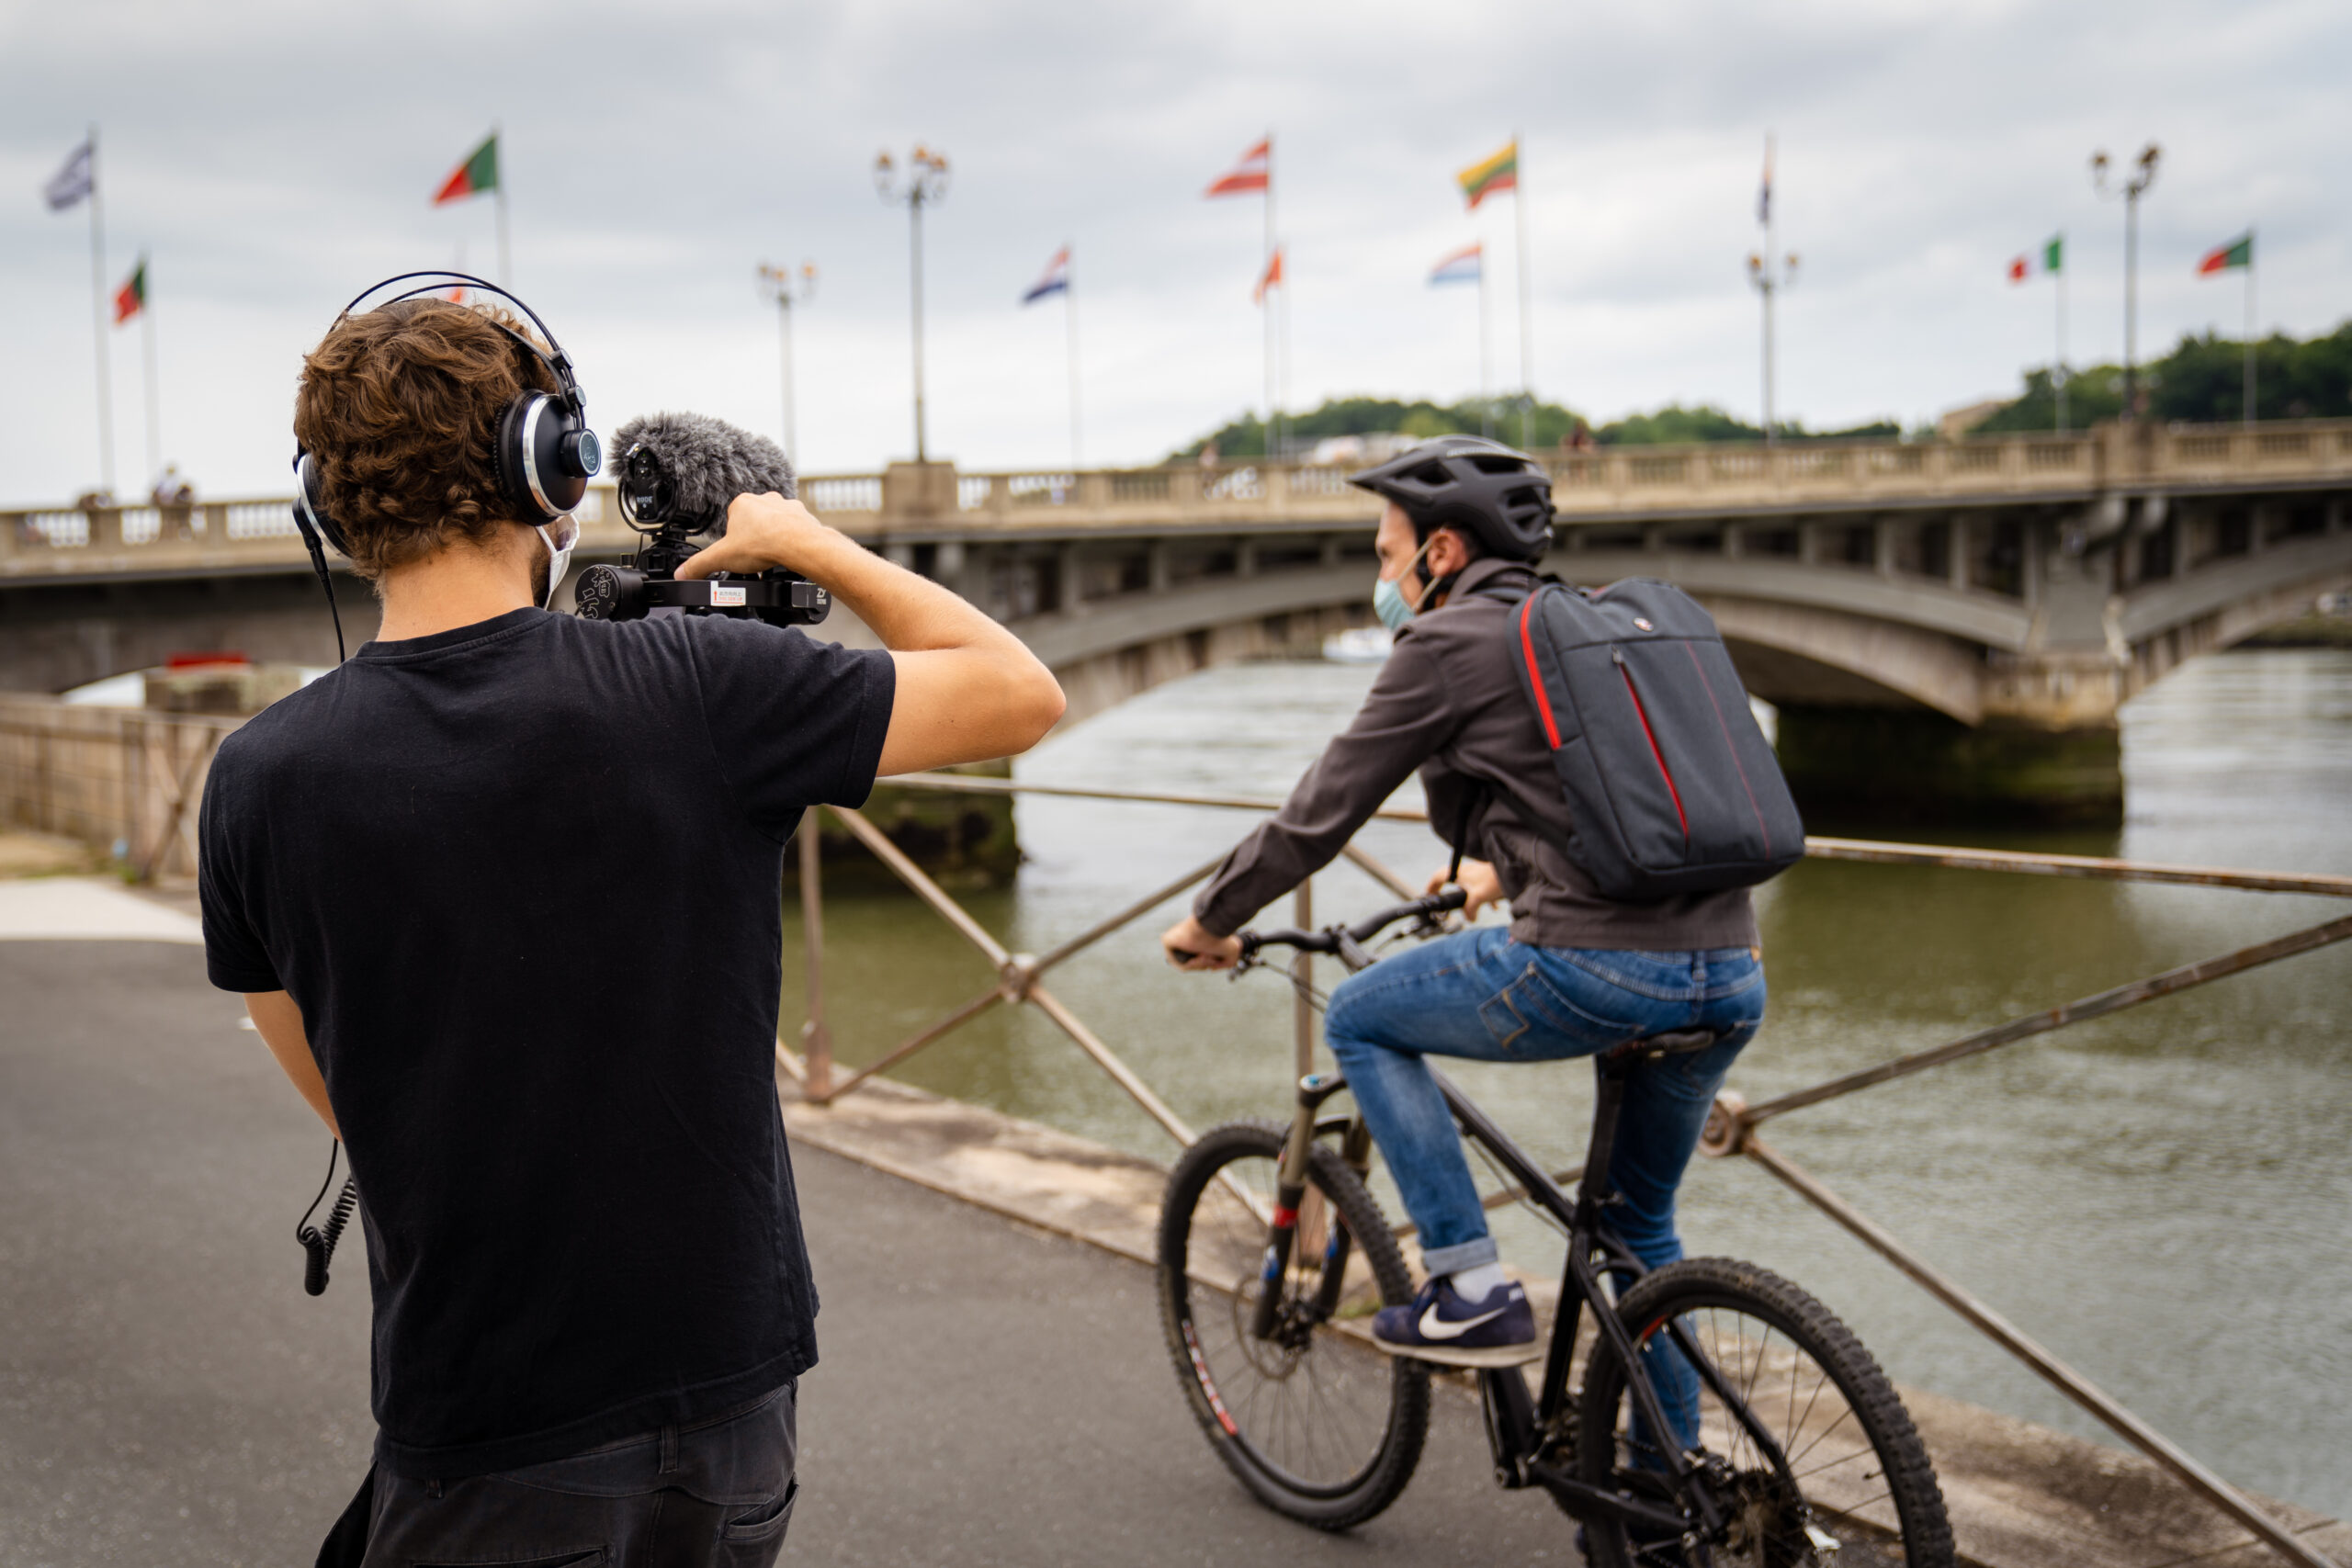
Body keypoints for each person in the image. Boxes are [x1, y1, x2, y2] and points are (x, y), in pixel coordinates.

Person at [198, 298, 1065, 1565]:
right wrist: (806, 542)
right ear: (545, 466)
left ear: (328, 507)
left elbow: (341, 1090)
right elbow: (1018, 692)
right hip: (728, 1388)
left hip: (485, 1409)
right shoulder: (695, 687)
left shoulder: (259, 778)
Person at [1159, 435, 1764, 1369]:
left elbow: (1318, 818)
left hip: (1593, 967)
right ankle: (1659, 1495)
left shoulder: (1444, 642)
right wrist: (1493, 864)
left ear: (1441, 553)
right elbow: (1581, 785)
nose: (1384, 574)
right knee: (1640, 1238)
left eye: (1385, 554)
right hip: (1730, 969)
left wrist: (1211, 918)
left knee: (1361, 1014)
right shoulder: (1577, 625)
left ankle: (1470, 1288)